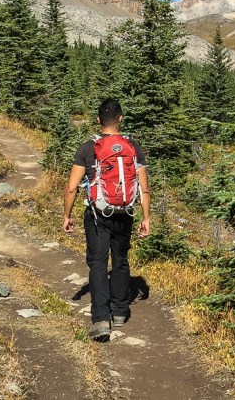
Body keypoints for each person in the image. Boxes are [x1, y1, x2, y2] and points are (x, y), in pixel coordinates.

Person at [62, 99, 150, 341]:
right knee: (120, 258)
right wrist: (146, 218)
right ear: (121, 119)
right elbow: (144, 188)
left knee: (98, 263)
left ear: (99, 120)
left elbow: (72, 188)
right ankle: (120, 311)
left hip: (97, 213)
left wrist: (67, 215)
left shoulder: (88, 148)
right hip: (125, 212)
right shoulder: (133, 147)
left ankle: (101, 319)